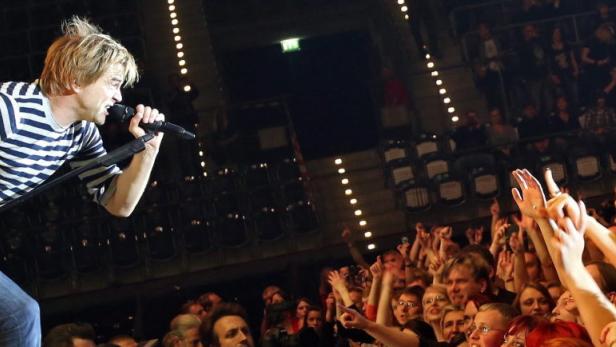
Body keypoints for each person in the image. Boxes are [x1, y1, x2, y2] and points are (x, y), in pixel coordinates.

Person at [0, 16, 165, 346]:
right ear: (75, 80)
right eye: (113, 83)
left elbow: (119, 204)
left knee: (21, 315)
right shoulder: (9, 109)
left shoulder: (81, 134)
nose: (119, 97)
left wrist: (147, 150)